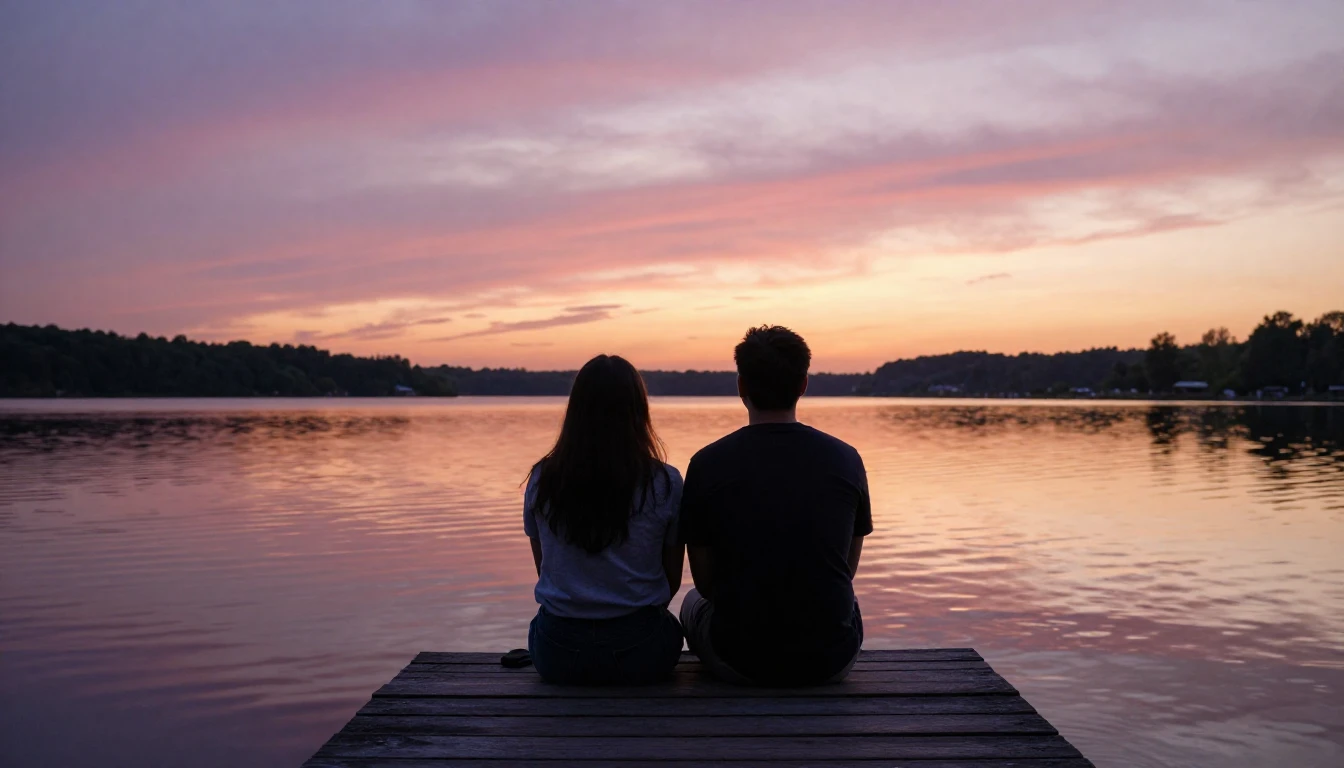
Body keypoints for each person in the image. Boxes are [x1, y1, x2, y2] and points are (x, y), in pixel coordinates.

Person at [679, 325, 872, 686]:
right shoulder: (846, 459)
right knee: (842, 597)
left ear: (741, 386)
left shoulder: (707, 463)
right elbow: (846, 569)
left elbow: (705, 584)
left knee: (691, 601)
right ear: (803, 385)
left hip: (739, 661)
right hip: (830, 661)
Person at [524, 354, 685, 685]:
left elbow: (546, 569)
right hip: (641, 651)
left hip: (557, 653)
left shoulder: (542, 478)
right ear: (638, 411)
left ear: (575, 411)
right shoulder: (665, 482)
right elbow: (671, 580)